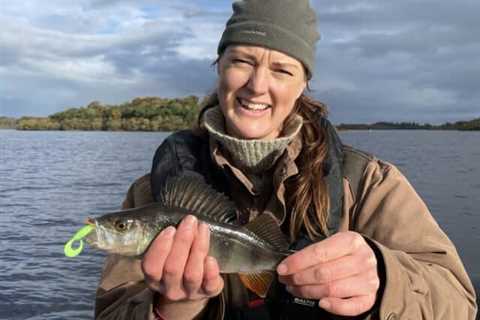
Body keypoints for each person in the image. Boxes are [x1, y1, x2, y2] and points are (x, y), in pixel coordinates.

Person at [94, 0, 477, 319]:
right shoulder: (151, 193)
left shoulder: (370, 183)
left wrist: (383, 276)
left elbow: (460, 304)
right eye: (242, 60)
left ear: (303, 84)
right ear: (220, 67)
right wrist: (172, 306)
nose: (257, 85)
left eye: (282, 69)